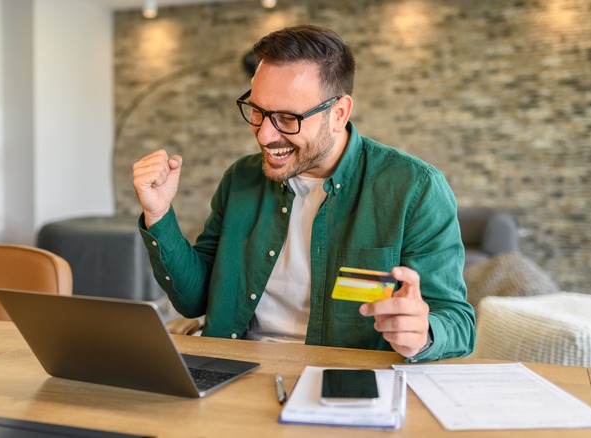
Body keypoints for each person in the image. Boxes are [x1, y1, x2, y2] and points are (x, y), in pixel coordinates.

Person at [132, 24, 475, 362]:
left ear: (338, 113)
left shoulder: (413, 188)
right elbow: (195, 300)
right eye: (257, 111)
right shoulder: (241, 178)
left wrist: (423, 332)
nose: (265, 135)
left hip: (341, 383)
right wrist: (159, 214)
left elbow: (459, 323)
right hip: (233, 371)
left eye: (286, 118)